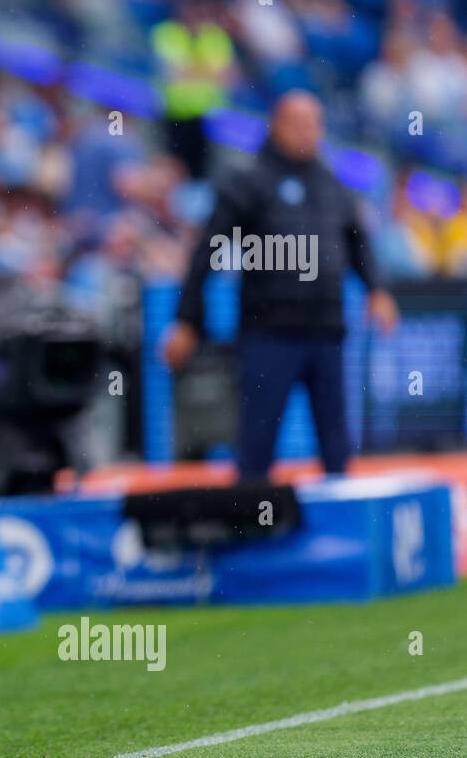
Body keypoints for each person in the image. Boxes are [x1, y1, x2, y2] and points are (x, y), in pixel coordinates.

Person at [162, 91, 399, 480]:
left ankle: (340, 530)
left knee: (336, 444)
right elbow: (206, 253)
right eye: (298, 123)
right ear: (276, 125)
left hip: (326, 332)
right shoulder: (248, 182)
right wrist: (186, 319)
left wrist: (377, 290)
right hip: (268, 333)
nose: (308, 133)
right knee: (256, 443)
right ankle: (254, 527)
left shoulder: (333, 185)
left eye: (314, 124)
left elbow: (358, 243)